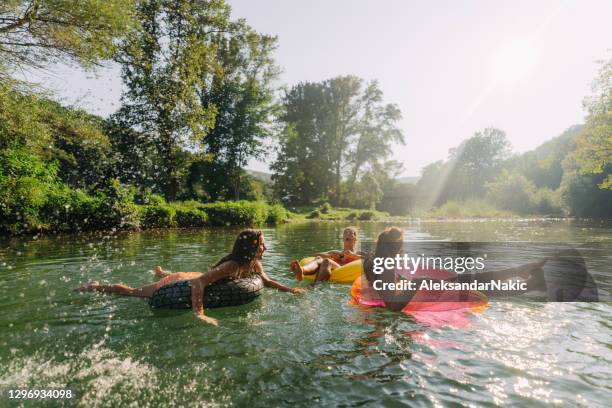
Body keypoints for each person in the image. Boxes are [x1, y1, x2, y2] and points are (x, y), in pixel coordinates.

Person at [78, 229, 305, 325]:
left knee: (177, 276)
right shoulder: (233, 265)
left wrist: (290, 290)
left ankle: (162, 273)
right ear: (250, 248)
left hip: (195, 278)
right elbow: (198, 283)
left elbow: (266, 282)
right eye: (262, 245)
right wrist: (200, 313)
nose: (265, 248)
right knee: (132, 293)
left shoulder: (254, 263)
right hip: (183, 284)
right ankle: (94, 286)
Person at [362, 227, 549, 311]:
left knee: (471, 280)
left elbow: (389, 285)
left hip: (420, 292)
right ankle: (528, 279)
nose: (402, 249)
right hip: (422, 295)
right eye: (401, 245)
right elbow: (393, 305)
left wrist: (408, 282)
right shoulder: (385, 264)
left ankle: (525, 276)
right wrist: (419, 282)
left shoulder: (375, 260)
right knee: (476, 286)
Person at [290, 226, 363, 283]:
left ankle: (314, 286)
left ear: (355, 239)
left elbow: (371, 258)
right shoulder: (336, 252)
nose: (348, 234)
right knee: (319, 258)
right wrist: (329, 255)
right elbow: (314, 255)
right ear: (343, 238)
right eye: (345, 233)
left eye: (351, 233)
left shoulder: (358, 253)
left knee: (327, 261)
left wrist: (354, 256)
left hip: (344, 272)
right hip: (333, 271)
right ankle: (302, 271)